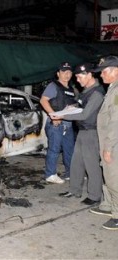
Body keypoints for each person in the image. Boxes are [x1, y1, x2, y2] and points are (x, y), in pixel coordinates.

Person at [51, 63, 105, 205]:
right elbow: (80, 105)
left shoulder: (97, 93)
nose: (77, 80)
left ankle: (94, 196)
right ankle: (75, 190)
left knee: (92, 165)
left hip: (92, 133)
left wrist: (62, 116)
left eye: (79, 77)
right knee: (76, 163)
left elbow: (85, 114)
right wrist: (72, 106)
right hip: (82, 132)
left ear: (89, 75)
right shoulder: (86, 90)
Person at [89, 56, 118, 230]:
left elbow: (116, 122)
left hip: (113, 144)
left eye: (105, 72)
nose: (102, 76)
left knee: (115, 179)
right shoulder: (112, 88)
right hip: (108, 141)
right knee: (109, 176)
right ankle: (108, 206)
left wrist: (108, 148)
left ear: (116, 71)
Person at [40, 62, 76, 184]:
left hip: (68, 124)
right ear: (58, 73)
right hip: (56, 124)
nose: (67, 74)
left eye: (69, 72)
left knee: (69, 150)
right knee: (54, 150)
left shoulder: (70, 89)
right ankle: (50, 174)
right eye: (64, 72)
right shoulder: (53, 86)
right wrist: (54, 117)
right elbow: (43, 101)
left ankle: (70, 173)